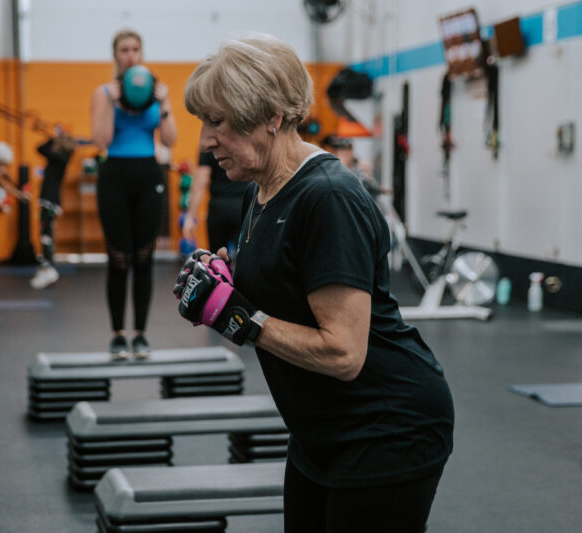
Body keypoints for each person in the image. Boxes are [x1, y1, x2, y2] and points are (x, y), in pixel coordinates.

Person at [173, 34, 454, 532]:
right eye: (203, 123)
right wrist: (225, 281)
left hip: (386, 427)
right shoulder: (260, 191)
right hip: (318, 432)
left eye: (217, 122)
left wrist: (238, 315)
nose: (205, 140)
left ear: (270, 116)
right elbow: (286, 285)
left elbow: (343, 353)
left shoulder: (327, 196)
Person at [91, 29, 177, 360]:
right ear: (115, 55)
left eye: (135, 49)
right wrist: (113, 103)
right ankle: (118, 335)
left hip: (149, 174)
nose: (130, 55)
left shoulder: (157, 94)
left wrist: (165, 103)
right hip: (114, 175)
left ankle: (140, 334)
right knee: (118, 257)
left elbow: (170, 141)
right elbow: (101, 140)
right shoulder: (103, 93)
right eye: (124, 49)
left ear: (142, 54)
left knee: (144, 255)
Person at [30, 129, 76, 289]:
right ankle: (46, 268)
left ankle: (48, 268)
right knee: (46, 236)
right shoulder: (59, 160)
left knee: (46, 237)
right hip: (49, 202)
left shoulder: (60, 159)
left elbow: (40, 148)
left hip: (50, 203)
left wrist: (52, 138)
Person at [182, 150, 250, 256]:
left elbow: (201, 180)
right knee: (246, 258)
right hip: (243, 206)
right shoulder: (246, 136)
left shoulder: (211, 141)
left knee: (217, 261)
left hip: (219, 207)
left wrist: (190, 216)